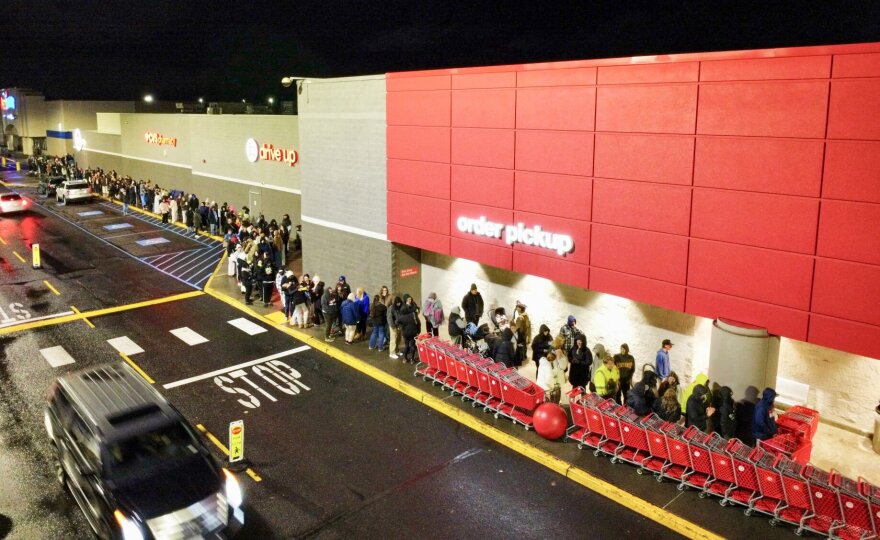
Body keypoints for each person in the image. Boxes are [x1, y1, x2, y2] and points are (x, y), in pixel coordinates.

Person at [399, 294, 421, 363]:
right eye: (408, 299)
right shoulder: (410, 312)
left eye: (410, 299)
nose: (410, 300)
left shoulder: (410, 308)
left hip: (408, 331)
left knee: (410, 345)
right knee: (410, 345)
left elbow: (417, 309)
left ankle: (408, 358)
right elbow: (417, 321)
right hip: (410, 330)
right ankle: (409, 358)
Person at [511, 301, 531, 365]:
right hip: (524, 333)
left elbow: (517, 327)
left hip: (520, 334)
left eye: (517, 307)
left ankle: (521, 357)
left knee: (520, 346)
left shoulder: (520, 318)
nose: (516, 309)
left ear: (520, 309)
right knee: (524, 345)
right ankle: (524, 356)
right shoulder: (525, 315)